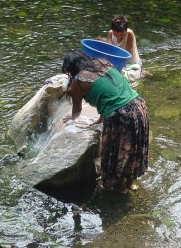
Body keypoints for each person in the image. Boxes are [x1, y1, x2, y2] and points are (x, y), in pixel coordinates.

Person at [62, 51, 149, 193]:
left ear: (69, 69)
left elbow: (77, 109)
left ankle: (119, 188)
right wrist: (99, 119)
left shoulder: (77, 83)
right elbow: (109, 94)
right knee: (135, 147)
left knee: (117, 152)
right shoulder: (103, 63)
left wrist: (72, 118)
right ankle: (131, 183)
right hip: (139, 106)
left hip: (120, 115)